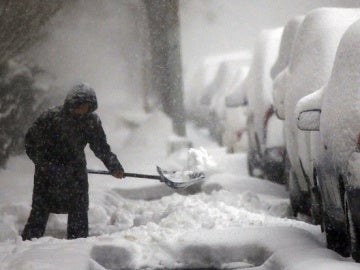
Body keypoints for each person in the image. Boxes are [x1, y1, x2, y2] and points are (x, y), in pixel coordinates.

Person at [21, 83, 124, 240]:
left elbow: (101, 147)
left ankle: (77, 245)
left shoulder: (91, 121)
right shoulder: (50, 117)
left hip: (75, 173)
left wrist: (114, 166)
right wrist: (43, 164)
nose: (83, 109)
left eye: (87, 106)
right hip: (47, 173)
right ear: (71, 103)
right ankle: (27, 243)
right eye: (80, 105)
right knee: (40, 209)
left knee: (78, 210)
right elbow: (30, 142)